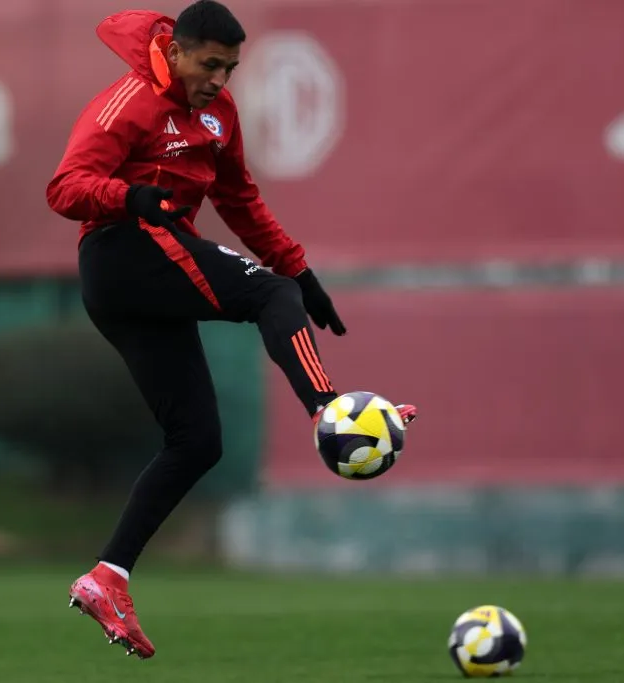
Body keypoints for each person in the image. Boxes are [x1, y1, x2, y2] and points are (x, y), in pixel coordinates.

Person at [45, 0, 416, 660]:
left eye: (231, 68)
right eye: (209, 64)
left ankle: (108, 576)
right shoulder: (128, 101)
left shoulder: (219, 115)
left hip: (145, 271)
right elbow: (66, 186)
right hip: (122, 250)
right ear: (177, 52)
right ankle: (331, 413)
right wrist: (129, 196)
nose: (219, 79)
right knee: (265, 296)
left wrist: (300, 273)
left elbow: (240, 199)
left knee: (197, 441)